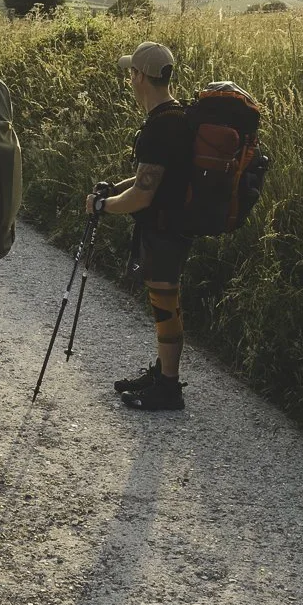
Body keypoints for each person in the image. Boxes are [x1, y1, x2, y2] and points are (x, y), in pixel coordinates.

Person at [86, 41, 191, 411]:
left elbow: (142, 197)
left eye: (130, 73)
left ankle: (169, 388)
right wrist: (114, 189)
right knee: (164, 300)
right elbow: (151, 179)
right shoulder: (177, 116)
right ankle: (163, 373)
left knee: (165, 302)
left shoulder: (159, 128)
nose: (128, 79)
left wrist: (103, 205)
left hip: (165, 227)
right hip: (172, 222)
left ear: (140, 77)